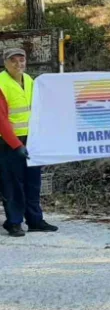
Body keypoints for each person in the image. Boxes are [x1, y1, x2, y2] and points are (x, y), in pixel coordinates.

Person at [0, 48, 58, 237]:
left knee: (33, 182)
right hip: (9, 143)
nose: (18, 64)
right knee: (13, 184)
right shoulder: (1, 83)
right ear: (5, 63)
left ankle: (35, 220)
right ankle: (14, 222)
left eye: (21, 60)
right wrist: (17, 145)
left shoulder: (31, 81)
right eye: (13, 60)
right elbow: (1, 120)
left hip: (31, 140)